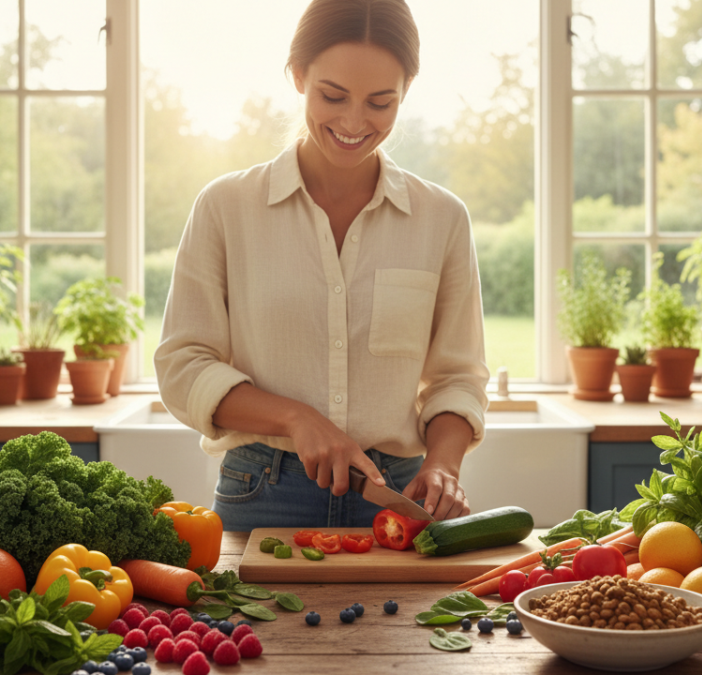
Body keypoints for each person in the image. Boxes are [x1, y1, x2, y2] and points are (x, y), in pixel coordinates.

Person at [154, 0, 488, 532]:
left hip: (397, 498)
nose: (354, 122)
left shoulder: (441, 218)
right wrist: (296, 418)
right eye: (333, 95)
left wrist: (444, 465)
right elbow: (183, 365)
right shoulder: (225, 207)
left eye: (381, 102)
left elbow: (456, 376)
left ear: (405, 93)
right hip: (262, 491)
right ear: (298, 75)